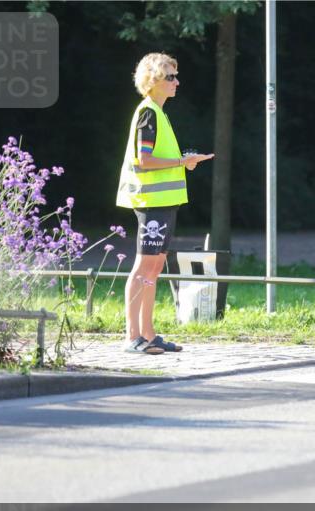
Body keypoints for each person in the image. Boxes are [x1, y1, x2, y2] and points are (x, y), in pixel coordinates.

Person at [116, 53, 213, 354]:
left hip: (164, 202)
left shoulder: (159, 113)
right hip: (151, 201)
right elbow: (143, 161)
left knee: (155, 267)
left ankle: (149, 333)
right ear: (154, 80)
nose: (177, 82)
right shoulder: (148, 113)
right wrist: (183, 161)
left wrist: (183, 162)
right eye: (171, 77)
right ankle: (134, 336)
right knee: (144, 266)